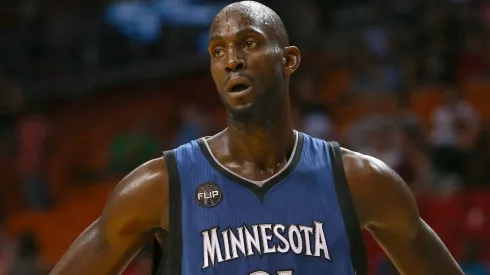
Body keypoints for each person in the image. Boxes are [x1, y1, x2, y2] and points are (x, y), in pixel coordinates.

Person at [50, 1, 463, 274]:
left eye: (248, 43)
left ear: (288, 60)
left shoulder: (360, 180)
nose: (232, 61)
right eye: (217, 51)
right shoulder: (159, 186)